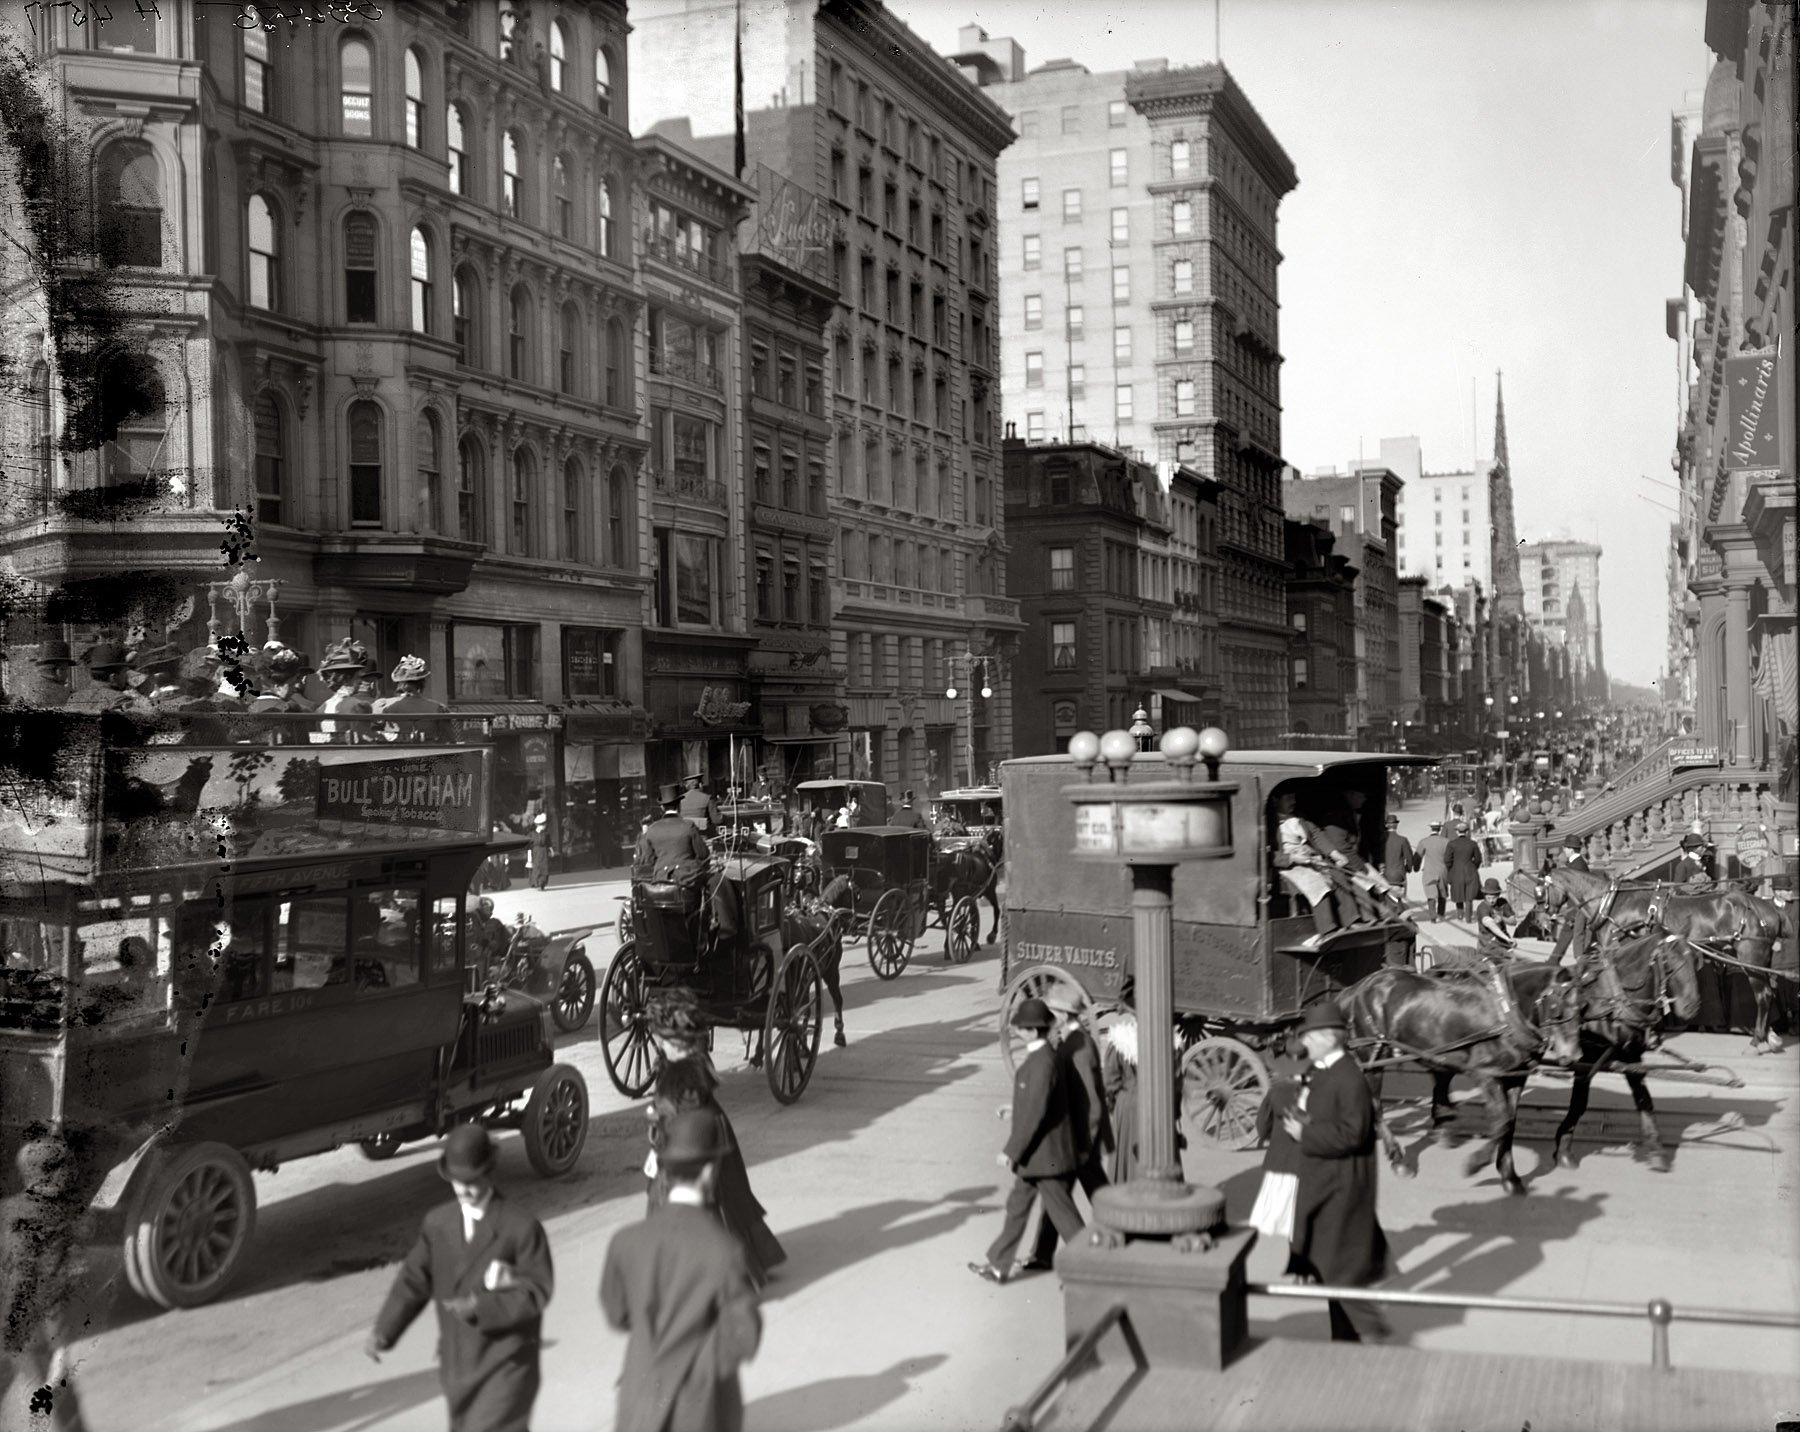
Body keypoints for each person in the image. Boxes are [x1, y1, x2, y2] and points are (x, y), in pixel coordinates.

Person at [366, 1125, 554, 1432]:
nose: (463, 1189)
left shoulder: (520, 1228)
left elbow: (536, 1291)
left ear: (489, 1172)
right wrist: (384, 1329)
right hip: (458, 1366)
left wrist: (480, 1307)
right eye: (456, 1181)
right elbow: (414, 1278)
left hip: (505, 1368)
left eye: (471, 1181)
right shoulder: (438, 1224)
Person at [601, 1109, 763, 1432]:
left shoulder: (625, 1242)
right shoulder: (724, 1250)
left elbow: (617, 1314)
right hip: (699, 1408)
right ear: (709, 1172)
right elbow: (744, 1336)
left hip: (640, 1397)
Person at [643, 991, 786, 1286]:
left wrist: (659, 1126)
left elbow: (682, 1113)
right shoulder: (690, 1065)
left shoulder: (683, 1078)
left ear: (677, 1043)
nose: (661, 1047)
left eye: (665, 1042)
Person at [1280, 1000, 1391, 1344]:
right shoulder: (1325, 1072)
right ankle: (1347, 1340)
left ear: (1329, 1037)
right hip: (1326, 1184)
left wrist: (1305, 1133)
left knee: (1336, 1269)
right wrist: (1302, 1118)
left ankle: (1368, 1335)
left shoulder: (1348, 1077)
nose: (1305, 1043)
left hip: (1340, 1192)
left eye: (1310, 1036)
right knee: (1332, 1271)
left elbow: (1353, 1133)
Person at [969, 997, 1084, 1285]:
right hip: (1040, 1155)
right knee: (1017, 1208)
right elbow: (1035, 1104)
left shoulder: (1041, 1063)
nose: (1017, 1030)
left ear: (1033, 1031)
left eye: (1021, 1027)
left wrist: (1011, 1151)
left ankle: (1089, 1268)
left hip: (1043, 1156)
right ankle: (998, 1264)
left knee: (1064, 1217)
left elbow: (1036, 1113)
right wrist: (1014, 1110)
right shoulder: (1044, 1057)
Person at [0, 1132, 89, 1432]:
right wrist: (61, 1351)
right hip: (33, 1335)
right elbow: (51, 1291)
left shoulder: (7, 1210)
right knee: (60, 1403)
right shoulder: (55, 1220)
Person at [1024, 1001, 1112, 1273]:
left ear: (1063, 1015)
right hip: (1075, 1135)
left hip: (1081, 1136)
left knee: (1091, 1195)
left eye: (1053, 1013)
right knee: (1059, 1192)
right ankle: (1041, 1253)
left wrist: (1086, 1144)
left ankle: (1109, 1248)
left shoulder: (1080, 1048)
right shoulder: (1073, 1040)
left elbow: (1093, 1103)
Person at [1248, 1049, 1309, 1278]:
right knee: (1302, 1216)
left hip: (1279, 1163)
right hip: (1306, 1164)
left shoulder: (1276, 1091)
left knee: (1279, 1216)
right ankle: (1301, 1265)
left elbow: (1262, 1127)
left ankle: (1288, 1263)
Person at [1273, 791, 1347, 948]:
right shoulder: (1270, 822)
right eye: (1288, 798)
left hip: (1309, 859)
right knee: (1316, 882)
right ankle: (1327, 931)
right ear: (1276, 800)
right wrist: (1292, 858)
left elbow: (1317, 835)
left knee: (1337, 874)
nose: (1293, 801)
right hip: (1287, 865)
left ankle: (1347, 922)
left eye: (1294, 797)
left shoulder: (1300, 818)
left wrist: (1335, 854)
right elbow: (1267, 855)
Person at [373, 654, 447, 742]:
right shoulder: (438, 708)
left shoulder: (382, 705)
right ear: (422, 684)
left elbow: (372, 734)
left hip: (392, 754)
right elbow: (449, 739)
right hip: (428, 753)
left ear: (397, 683)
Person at [314, 639, 373, 742]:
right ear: (345, 678)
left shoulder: (322, 707)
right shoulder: (359, 706)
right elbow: (363, 740)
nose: (360, 682)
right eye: (357, 677)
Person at [1442, 819, 1484, 919]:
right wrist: (1474, 866)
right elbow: (1478, 859)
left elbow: (1447, 859)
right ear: (1467, 831)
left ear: (1457, 832)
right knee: (1469, 896)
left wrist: (1451, 868)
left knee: (1458, 893)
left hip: (1456, 871)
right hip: (1470, 870)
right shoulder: (1472, 844)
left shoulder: (1452, 844)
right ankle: (1468, 917)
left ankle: (1460, 915)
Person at [468, 897, 512, 983]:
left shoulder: (495, 923)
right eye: (484, 906)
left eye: (487, 907)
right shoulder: (474, 923)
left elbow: (502, 943)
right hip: (478, 959)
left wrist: (488, 944)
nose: (487, 908)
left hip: (489, 959)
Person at [1413, 820, 1450, 919]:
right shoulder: (1446, 842)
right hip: (1443, 870)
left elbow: (1417, 857)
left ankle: (1432, 915)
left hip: (1429, 871)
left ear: (1431, 829)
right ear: (1440, 829)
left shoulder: (1424, 841)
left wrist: (1416, 867)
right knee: (1443, 893)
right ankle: (1441, 913)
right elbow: (1450, 857)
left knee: (1431, 894)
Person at [1474, 878, 1516, 960]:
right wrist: (1507, 938)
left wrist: (1503, 919)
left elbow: (1513, 921)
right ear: (1484, 895)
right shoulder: (1482, 907)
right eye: (1489, 898)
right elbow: (1490, 924)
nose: (1492, 901)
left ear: (1498, 895)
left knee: (1513, 963)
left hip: (1504, 943)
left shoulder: (1503, 903)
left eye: (1494, 898)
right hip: (1487, 944)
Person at [1380, 814, 1414, 907]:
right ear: (1396, 825)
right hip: (1399, 874)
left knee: (1386, 898)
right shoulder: (1402, 840)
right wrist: (1408, 868)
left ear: (1386, 825)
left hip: (1384, 874)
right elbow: (1409, 857)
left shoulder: (1381, 840)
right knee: (1401, 898)